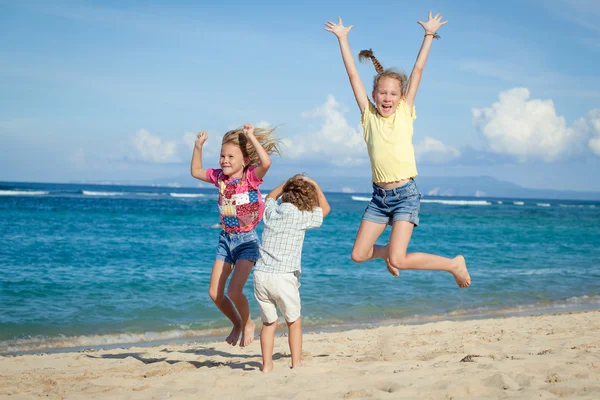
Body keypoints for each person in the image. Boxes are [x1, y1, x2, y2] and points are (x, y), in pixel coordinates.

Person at [325, 12, 470, 287]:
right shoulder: (368, 116)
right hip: (379, 197)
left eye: (393, 93)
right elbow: (353, 74)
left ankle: (453, 264)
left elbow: (417, 71)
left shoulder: (405, 112)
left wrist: (428, 35)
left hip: (405, 195)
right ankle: (387, 255)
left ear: (401, 96)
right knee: (358, 254)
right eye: (382, 93)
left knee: (401, 259)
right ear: (374, 94)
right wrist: (343, 39)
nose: (387, 98)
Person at [191, 123, 281, 347]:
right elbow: (195, 171)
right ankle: (238, 323)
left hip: (247, 242)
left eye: (231, 156)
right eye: (222, 156)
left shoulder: (251, 177)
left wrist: (251, 137)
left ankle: (248, 322)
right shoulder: (219, 177)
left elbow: (267, 162)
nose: (224, 160)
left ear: (245, 160)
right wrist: (198, 147)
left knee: (234, 290)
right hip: (225, 240)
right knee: (215, 293)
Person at [253, 175, 330, 373]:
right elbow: (325, 210)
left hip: (261, 275)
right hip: (284, 277)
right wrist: (316, 184)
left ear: (286, 194)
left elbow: (270, 196)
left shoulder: (272, 212)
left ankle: (267, 366)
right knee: (293, 322)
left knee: (268, 323)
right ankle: (296, 364)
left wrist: (286, 182)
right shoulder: (301, 216)